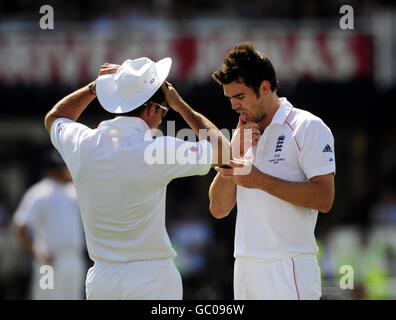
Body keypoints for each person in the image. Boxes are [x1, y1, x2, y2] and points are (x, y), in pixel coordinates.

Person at [44, 57, 230, 299]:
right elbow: (225, 152)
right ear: (153, 109)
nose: (162, 118)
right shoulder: (157, 150)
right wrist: (181, 106)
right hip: (152, 279)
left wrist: (95, 87)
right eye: (163, 111)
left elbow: (55, 118)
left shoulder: (82, 143)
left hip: (102, 280)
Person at [209, 42, 335, 300]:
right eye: (230, 98)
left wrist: (258, 180)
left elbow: (325, 199)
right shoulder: (240, 134)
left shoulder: (308, 126)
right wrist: (231, 152)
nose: (234, 106)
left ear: (265, 88)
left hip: (289, 268)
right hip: (245, 265)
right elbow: (218, 209)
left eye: (240, 97)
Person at [13, 150, 86, 300]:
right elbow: (21, 225)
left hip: (73, 259)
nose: (64, 171)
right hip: (48, 261)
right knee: (45, 297)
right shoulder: (38, 192)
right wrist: (36, 253)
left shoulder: (73, 191)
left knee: (73, 297)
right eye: (60, 169)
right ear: (51, 170)